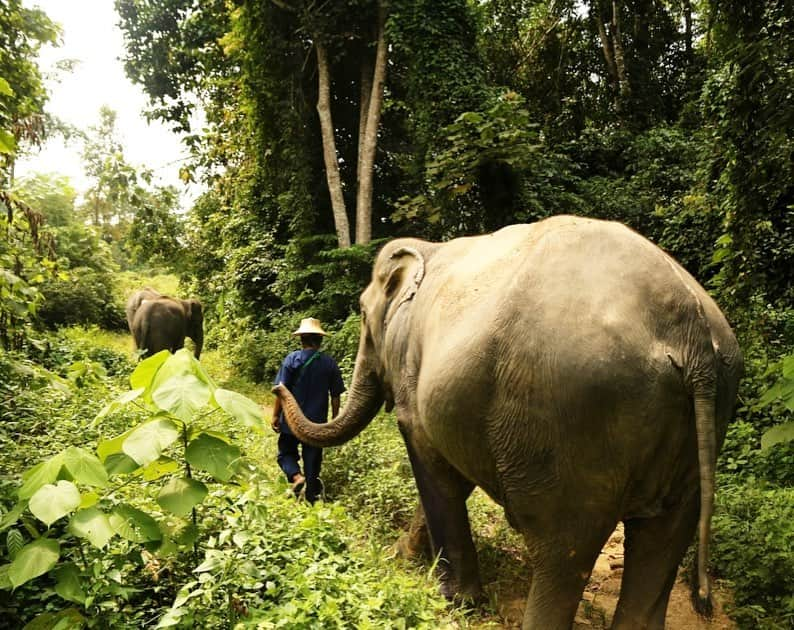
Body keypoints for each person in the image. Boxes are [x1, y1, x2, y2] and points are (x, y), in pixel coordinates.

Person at [271, 317, 346, 503]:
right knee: (313, 459)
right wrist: (334, 419)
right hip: (316, 423)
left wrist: (275, 415)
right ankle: (310, 496)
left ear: (302, 339)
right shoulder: (329, 363)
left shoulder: (292, 359)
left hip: (291, 420)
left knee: (285, 453)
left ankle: (297, 477)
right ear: (320, 340)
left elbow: (281, 390)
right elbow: (335, 395)